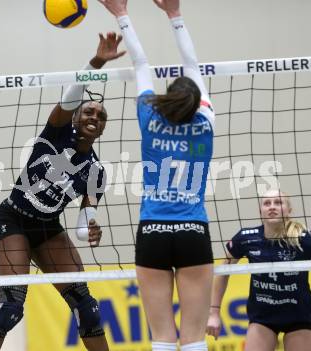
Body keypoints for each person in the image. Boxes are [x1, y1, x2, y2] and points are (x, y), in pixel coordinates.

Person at [0, 32, 125, 351]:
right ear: (75, 117)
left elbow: (86, 221)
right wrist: (98, 61)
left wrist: (91, 228)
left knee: (86, 306)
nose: (94, 117)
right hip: (14, 219)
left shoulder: (97, 171)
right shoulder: (55, 132)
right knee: (11, 308)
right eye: (88, 112)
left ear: (102, 128)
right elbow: (72, 94)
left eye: (100, 117)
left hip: (48, 228)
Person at [99, 1, 215, 350]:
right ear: (198, 103)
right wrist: (175, 16)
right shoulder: (205, 125)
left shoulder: (149, 116)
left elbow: (141, 64)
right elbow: (193, 66)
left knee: (161, 337)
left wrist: (122, 14)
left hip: (153, 231)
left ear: (167, 99)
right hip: (193, 230)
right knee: (193, 337)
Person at [206, 189, 311, 351]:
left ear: (288, 210)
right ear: (260, 210)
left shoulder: (304, 238)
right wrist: (214, 313)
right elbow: (222, 272)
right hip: (262, 318)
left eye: (278, 202)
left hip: (298, 317)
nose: (272, 207)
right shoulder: (246, 238)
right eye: (267, 203)